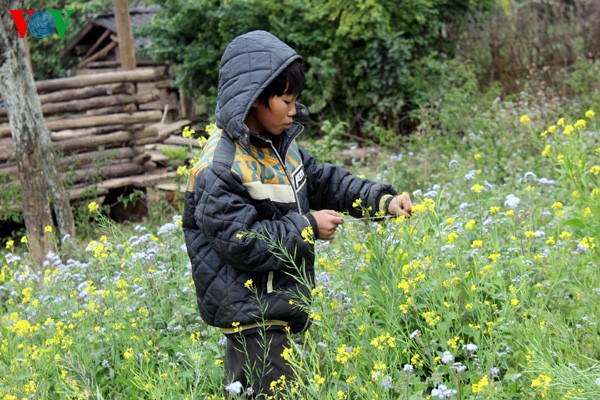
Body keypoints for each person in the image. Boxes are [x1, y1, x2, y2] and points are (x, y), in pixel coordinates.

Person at [182, 30, 412, 398]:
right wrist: (308, 226)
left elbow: (327, 183)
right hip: (253, 323)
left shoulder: (278, 149)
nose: (294, 110)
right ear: (255, 100)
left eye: (295, 100)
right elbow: (241, 240)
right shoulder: (219, 167)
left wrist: (382, 202)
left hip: (283, 312)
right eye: (286, 100)